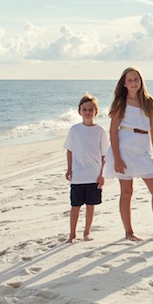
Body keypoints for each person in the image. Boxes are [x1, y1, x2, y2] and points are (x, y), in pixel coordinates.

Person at [105, 67, 153, 241]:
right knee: (126, 192)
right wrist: (116, 157)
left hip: (143, 148)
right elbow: (113, 131)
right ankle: (129, 232)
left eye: (136, 79)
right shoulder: (120, 103)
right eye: (130, 80)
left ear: (141, 81)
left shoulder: (148, 101)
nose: (133, 83)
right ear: (124, 83)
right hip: (124, 148)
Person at [64, 93, 109, 243]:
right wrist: (69, 169)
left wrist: (102, 174)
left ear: (96, 112)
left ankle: (86, 232)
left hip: (94, 175)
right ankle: (72, 234)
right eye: (85, 109)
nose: (88, 112)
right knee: (75, 206)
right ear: (79, 111)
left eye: (91, 109)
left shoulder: (100, 131)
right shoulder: (74, 130)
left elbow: (104, 155)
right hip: (78, 175)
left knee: (91, 206)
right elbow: (69, 150)